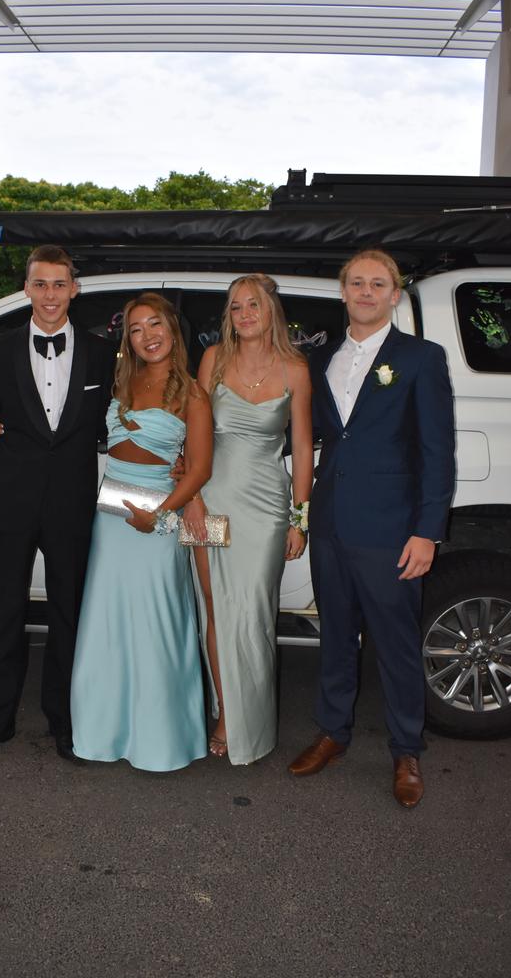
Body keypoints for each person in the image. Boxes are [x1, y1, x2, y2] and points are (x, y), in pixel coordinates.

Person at [288, 249, 455, 808]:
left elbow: (438, 451)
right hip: (331, 522)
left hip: (390, 528)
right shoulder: (320, 358)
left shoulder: (421, 358)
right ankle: (333, 732)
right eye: (355, 282)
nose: (365, 291)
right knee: (335, 634)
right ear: (342, 292)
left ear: (393, 295)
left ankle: (406, 749)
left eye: (376, 283)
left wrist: (427, 531)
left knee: (397, 645)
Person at [0, 245, 115, 767]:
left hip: (70, 505)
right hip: (6, 503)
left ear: (74, 289)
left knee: (69, 616)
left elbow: (114, 426)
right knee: (4, 615)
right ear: (27, 289)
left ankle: (64, 724)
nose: (49, 294)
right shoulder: (0, 350)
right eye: (40, 284)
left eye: (59, 284)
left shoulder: (99, 352)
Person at [70, 293, 213, 772]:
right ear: (127, 339)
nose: (147, 335)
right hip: (111, 515)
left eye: (155, 325)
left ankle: (162, 739)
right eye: (135, 328)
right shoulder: (121, 382)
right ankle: (103, 732)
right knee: (108, 624)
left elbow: (199, 470)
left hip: (161, 516)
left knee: (157, 624)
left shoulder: (192, 393)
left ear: (173, 330)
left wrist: (160, 514)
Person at [182, 273, 313, 764]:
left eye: (253, 305)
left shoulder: (295, 369)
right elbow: (194, 431)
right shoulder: (213, 359)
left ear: (270, 310)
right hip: (207, 500)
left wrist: (299, 520)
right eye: (235, 307)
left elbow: (301, 449)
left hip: (264, 507)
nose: (244, 315)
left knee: (253, 612)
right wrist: (190, 498)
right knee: (213, 606)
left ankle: (252, 718)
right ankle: (223, 713)